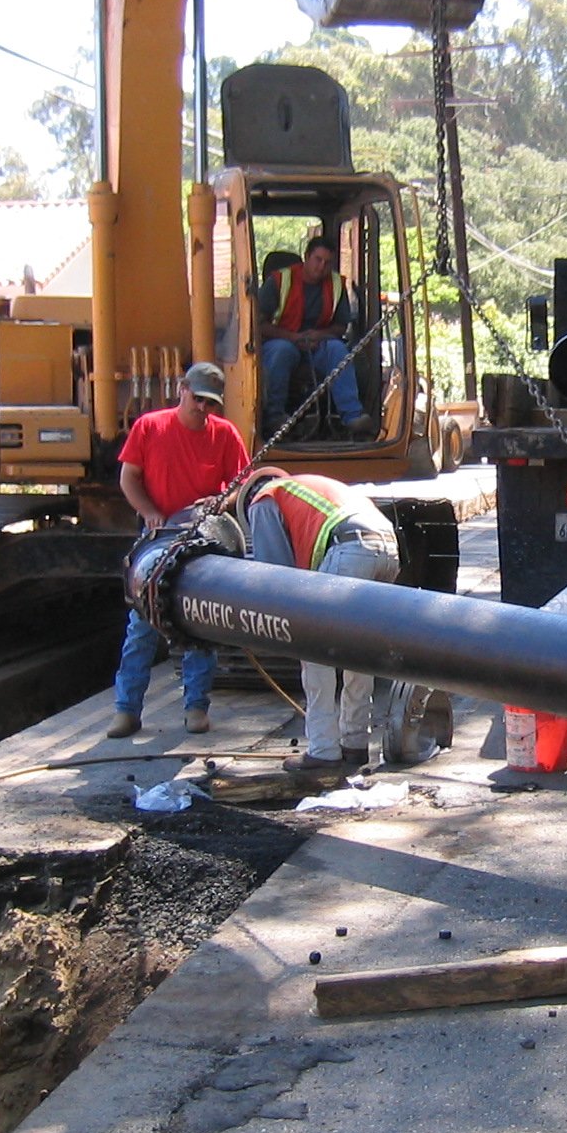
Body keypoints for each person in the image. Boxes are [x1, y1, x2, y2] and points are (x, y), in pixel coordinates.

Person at [105, 361, 247, 740]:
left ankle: (196, 707)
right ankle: (127, 710)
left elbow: (240, 485)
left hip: (202, 543)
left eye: (210, 404)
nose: (203, 408)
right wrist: (150, 513)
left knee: (199, 625)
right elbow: (129, 477)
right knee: (142, 626)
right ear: (182, 389)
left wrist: (221, 501)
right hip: (160, 540)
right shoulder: (150, 427)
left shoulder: (226, 435)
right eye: (198, 399)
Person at [239, 469, 400, 775]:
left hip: (350, 550)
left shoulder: (265, 498)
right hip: (387, 548)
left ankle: (323, 751)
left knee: (315, 652)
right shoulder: (311, 489)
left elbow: (276, 573)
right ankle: (354, 745)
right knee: (359, 651)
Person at [258, 238, 372, 437]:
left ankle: (352, 415)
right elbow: (258, 324)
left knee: (338, 349)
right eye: (317, 260)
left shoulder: (337, 284)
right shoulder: (278, 281)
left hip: (317, 344)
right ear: (306, 257)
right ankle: (274, 417)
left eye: (327, 262)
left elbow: (340, 325)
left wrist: (319, 335)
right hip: (281, 341)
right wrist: (292, 337)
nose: (321, 267)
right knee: (281, 351)